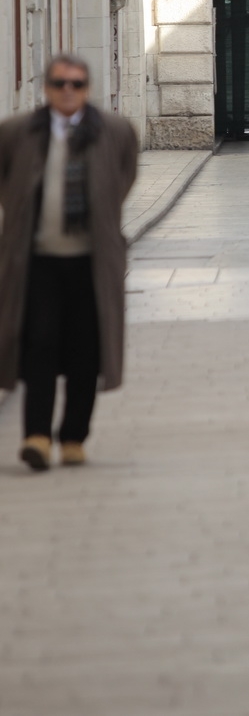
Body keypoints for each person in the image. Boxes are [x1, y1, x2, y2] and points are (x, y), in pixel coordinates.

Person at [0, 53, 138, 471]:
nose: (67, 91)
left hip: (91, 261)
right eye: (59, 83)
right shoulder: (19, 132)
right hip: (37, 260)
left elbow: (124, 175)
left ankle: (74, 437)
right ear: (47, 88)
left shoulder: (113, 131)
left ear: (87, 89)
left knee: (86, 349)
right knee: (39, 343)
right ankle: (37, 437)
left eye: (76, 84)